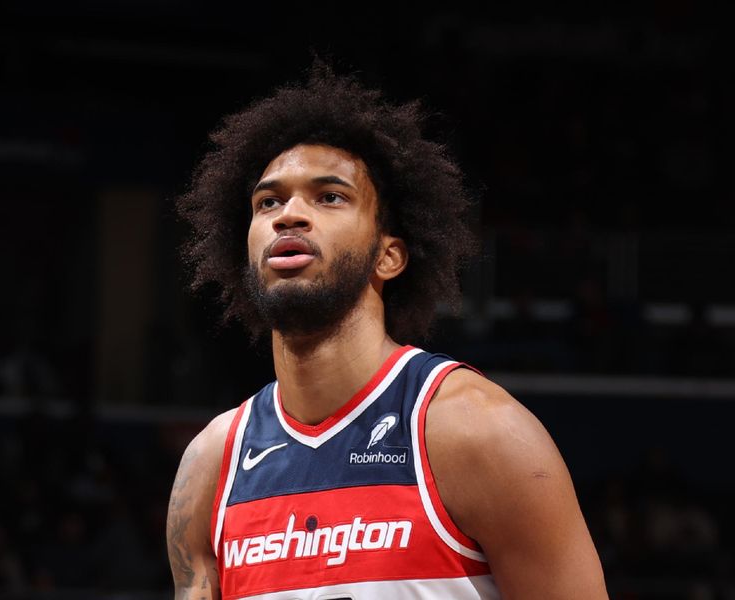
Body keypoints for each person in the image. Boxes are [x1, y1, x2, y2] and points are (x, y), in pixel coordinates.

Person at [167, 61, 609, 600]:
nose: (289, 215)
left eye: (329, 196)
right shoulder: (212, 465)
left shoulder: (479, 433)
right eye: (269, 202)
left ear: (389, 255)